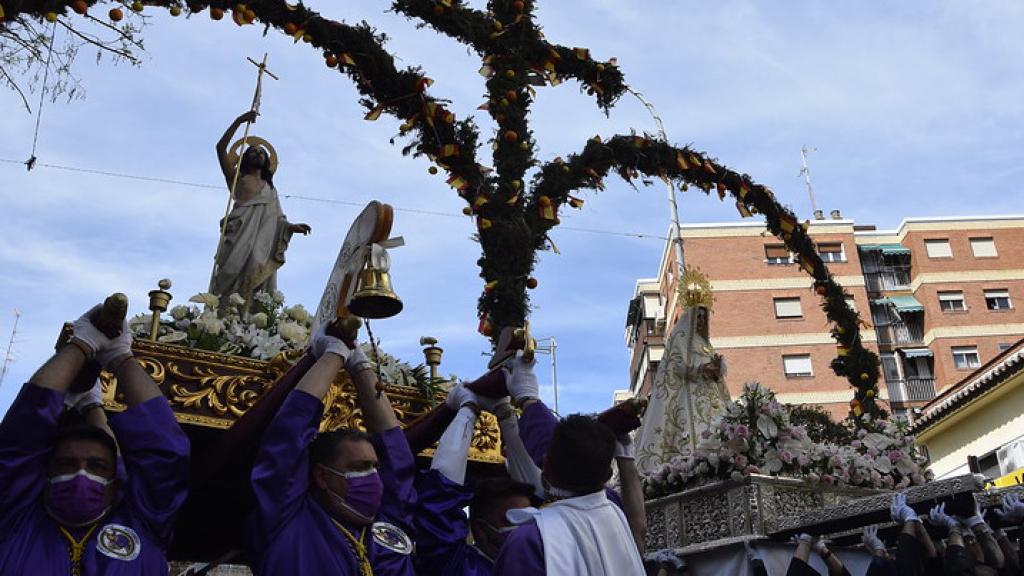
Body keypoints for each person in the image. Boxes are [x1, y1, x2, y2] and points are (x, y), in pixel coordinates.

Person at [0, 302, 190, 574]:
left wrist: (121, 357)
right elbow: (21, 436)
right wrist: (82, 343)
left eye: (97, 467)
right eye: (66, 464)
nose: (81, 475)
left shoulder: (144, 523)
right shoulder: (13, 520)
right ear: (45, 473)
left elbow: (165, 449)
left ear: (117, 479)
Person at [245, 325, 416, 575]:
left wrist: (361, 366)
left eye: (374, 467)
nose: (373, 478)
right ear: (322, 476)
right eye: (358, 468)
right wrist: (333, 354)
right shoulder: (287, 519)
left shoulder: (388, 527)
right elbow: (287, 437)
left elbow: (397, 458)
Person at [492, 352, 645, 575]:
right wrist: (626, 461)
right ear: (606, 476)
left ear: (546, 466)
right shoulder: (613, 509)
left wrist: (527, 398)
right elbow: (639, 528)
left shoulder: (528, 541)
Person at [414, 381, 538, 576]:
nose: (527, 531)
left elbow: (548, 494)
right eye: (515, 521)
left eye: (529, 520)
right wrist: (467, 409)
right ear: (481, 530)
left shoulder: (542, 564)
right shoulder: (457, 567)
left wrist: (506, 414)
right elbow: (439, 502)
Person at [211, 110, 311, 301]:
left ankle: (250, 316)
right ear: (245, 157)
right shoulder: (237, 178)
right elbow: (220, 147)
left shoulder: (270, 189)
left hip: (263, 240)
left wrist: (290, 226)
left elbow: (277, 218)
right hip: (239, 234)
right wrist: (239, 121)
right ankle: (225, 312)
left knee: (257, 266)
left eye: (261, 153)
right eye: (253, 151)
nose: (257, 154)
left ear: (266, 161)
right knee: (230, 271)